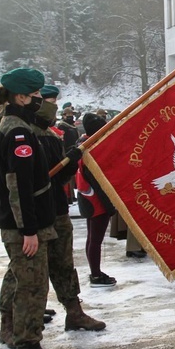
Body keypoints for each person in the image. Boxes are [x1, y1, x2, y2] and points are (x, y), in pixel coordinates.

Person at [0, 83, 106, 336]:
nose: (53, 106)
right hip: (33, 213)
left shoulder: (49, 132)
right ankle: (9, 321)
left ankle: (74, 311)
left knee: (63, 264)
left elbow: (55, 176)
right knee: (23, 271)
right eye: (48, 100)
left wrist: (70, 162)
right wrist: (26, 225)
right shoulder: (22, 131)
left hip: (55, 209)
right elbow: (21, 178)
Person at [0, 67, 64, 349]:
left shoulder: (16, 126)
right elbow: (19, 185)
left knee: (36, 288)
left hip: (29, 226)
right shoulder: (17, 132)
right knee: (30, 291)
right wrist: (28, 230)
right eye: (34, 96)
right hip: (25, 230)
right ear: (20, 96)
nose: (38, 101)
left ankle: (33, 346)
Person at [77, 112, 117, 288]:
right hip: (96, 200)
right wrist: (110, 206)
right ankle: (95, 274)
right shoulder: (92, 151)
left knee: (91, 238)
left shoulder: (82, 145)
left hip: (87, 198)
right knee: (95, 240)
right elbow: (99, 183)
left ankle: (95, 271)